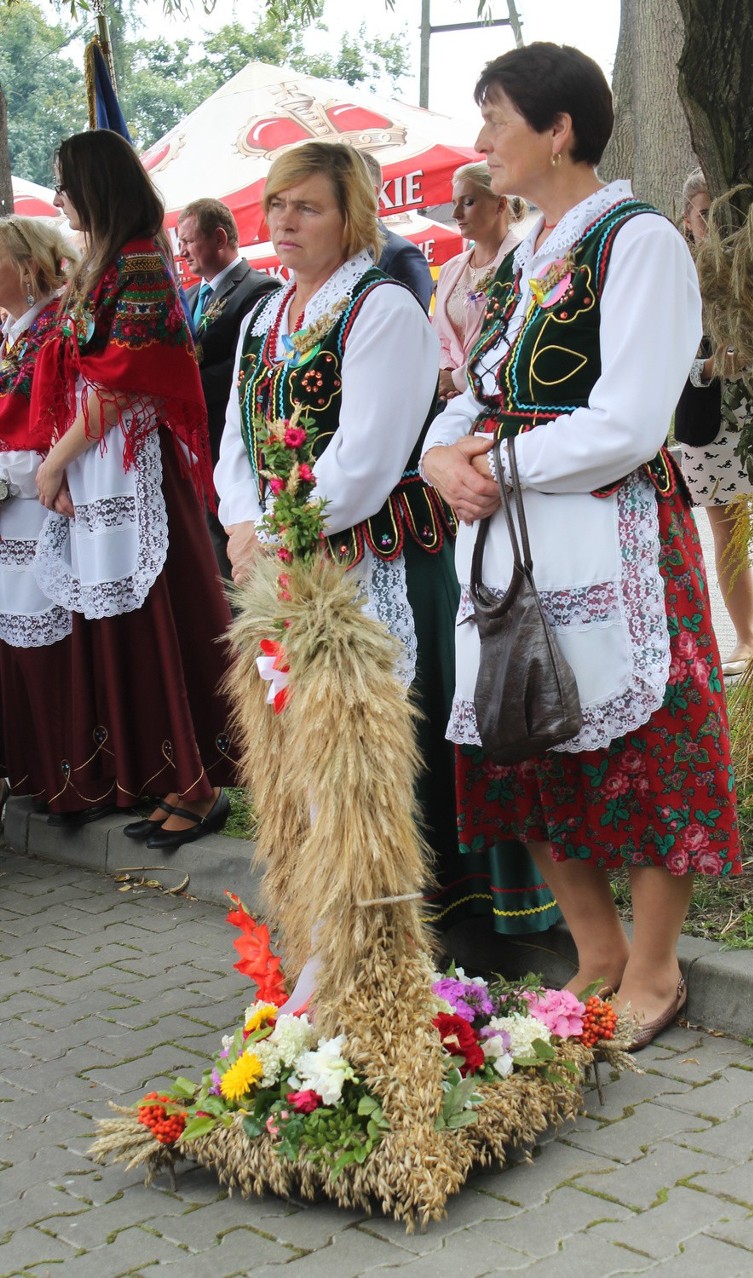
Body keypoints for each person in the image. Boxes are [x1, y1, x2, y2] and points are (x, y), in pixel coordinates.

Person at [421, 43, 742, 1048]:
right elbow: (473, 392)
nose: (480, 143)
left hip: (616, 537)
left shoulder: (639, 242)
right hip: (519, 543)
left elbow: (633, 422)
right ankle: (593, 952)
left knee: (651, 754)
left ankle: (655, 971)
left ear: (559, 130)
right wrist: (439, 458)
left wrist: (493, 465)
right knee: (527, 748)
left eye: (496, 118)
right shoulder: (523, 256)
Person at [215, 139, 556, 937]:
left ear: (350, 217)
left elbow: (365, 457)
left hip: (378, 553)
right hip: (284, 552)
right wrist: (238, 522)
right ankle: (340, 898)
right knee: (314, 729)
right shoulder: (266, 311)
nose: (285, 221)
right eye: (277, 205)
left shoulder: (382, 307)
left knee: (395, 727)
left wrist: (268, 530)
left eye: (307, 206)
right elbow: (236, 431)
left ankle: (437, 913)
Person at [31, 129, 237, 845]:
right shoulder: (110, 263)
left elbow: (125, 381)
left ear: (95, 186)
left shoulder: (142, 263)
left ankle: (197, 786)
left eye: (64, 182)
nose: (57, 196)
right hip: (104, 465)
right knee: (131, 630)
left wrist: (54, 463)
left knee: (163, 626)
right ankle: (170, 778)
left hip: (136, 471)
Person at [0, 217, 75, 813]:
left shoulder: (53, 329)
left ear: (26, 264)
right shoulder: (14, 330)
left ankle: (64, 778)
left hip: (37, 510)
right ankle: (28, 774)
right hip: (13, 512)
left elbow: (51, 432)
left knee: (40, 647)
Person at [674, 169, 753, 677]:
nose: (714, 224)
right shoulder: (676, 273)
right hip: (708, 411)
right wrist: (708, 367)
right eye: (706, 215)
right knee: (728, 531)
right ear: (688, 219)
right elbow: (660, 354)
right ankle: (747, 640)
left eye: (723, 214)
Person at [177, 199, 280, 581]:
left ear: (219, 238)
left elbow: (244, 371)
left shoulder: (259, 290)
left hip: (231, 440)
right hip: (194, 444)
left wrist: (177, 389)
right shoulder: (187, 297)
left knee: (229, 541)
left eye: (189, 241)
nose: (181, 251)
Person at [432, 162, 525, 403]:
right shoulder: (450, 269)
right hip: (450, 401)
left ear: (501, 204)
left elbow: (515, 339)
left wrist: (459, 379)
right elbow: (440, 336)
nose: (456, 215)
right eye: (454, 204)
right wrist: (447, 374)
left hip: (502, 398)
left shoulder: (524, 262)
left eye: (468, 202)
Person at [359, 150, 434, 312]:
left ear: (372, 193)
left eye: (344, 190)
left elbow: (411, 328)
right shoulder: (326, 253)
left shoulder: (401, 256)